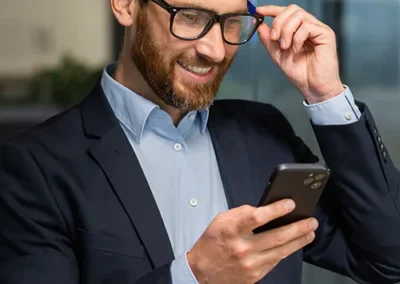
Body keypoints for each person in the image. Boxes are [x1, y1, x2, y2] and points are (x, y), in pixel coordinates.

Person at [0, 0, 399, 283]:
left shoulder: (264, 135)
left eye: (232, 23)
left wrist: (326, 94)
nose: (215, 49)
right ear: (124, 5)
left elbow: (388, 261)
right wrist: (194, 277)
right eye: (190, 17)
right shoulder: (33, 168)